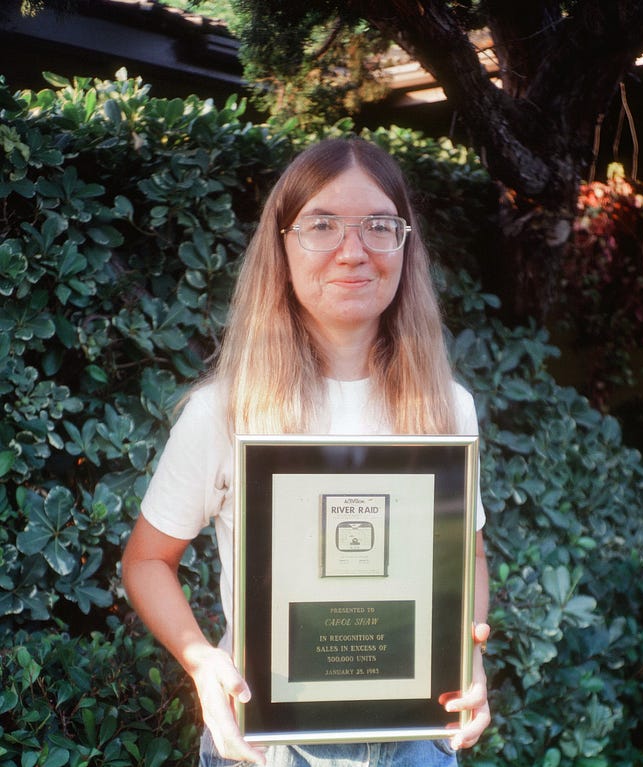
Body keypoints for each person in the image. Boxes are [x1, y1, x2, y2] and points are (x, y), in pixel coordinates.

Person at [121, 137, 491, 767]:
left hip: (416, 745)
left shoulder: (447, 406)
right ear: (283, 246)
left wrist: (468, 658)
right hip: (267, 745)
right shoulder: (223, 411)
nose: (354, 251)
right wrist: (202, 661)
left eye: (379, 225)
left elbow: (467, 556)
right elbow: (147, 561)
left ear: (405, 244)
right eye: (322, 224)